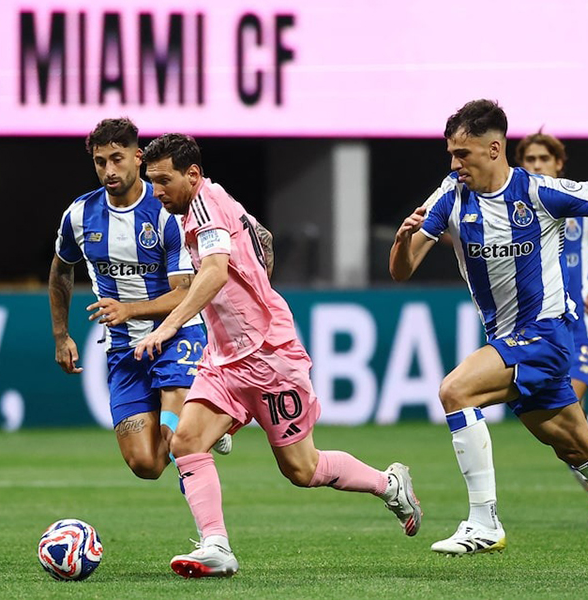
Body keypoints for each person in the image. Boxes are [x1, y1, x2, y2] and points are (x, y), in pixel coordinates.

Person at [390, 99, 588, 577]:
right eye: (451, 155)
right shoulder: (450, 195)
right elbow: (403, 271)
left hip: (547, 333)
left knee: (455, 390)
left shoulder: (541, 192)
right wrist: (401, 241)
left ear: (494, 148)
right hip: (509, 337)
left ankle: (485, 520)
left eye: (463, 154)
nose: (455, 164)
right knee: (577, 447)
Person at [135, 133, 421, 579]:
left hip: (270, 357)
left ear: (192, 174)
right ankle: (216, 546)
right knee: (186, 441)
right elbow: (262, 239)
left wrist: (171, 324)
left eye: (162, 181)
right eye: (151, 182)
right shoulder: (209, 202)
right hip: (225, 358)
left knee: (302, 470)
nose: (156, 192)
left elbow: (212, 272)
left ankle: (389, 484)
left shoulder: (207, 205)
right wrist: (252, 277)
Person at [48, 118, 231, 486]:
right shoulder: (80, 215)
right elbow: (60, 271)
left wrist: (129, 309)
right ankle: (212, 424)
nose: (109, 170)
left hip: (177, 334)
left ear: (137, 157)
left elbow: (185, 291)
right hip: (123, 349)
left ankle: (212, 537)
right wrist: (61, 335)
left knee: (179, 441)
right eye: (100, 162)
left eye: (117, 159)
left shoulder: (168, 211)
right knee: (145, 464)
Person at [516, 132, 588, 523]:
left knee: (568, 406)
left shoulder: (575, 202)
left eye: (544, 158)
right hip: (542, 322)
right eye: (529, 158)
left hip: (582, 325)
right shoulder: (518, 209)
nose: (537, 164)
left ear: (559, 164)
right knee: (561, 422)